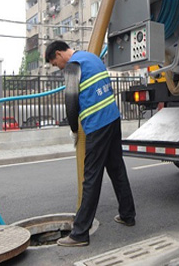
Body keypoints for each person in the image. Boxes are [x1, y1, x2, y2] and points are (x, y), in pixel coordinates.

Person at [45, 41, 136, 247]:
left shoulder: (72, 66)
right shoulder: (92, 58)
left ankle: (79, 234)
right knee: (116, 168)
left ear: (59, 53)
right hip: (113, 118)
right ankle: (127, 214)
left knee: (91, 177)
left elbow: (70, 101)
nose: (57, 66)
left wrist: (74, 129)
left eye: (54, 62)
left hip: (97, 124)